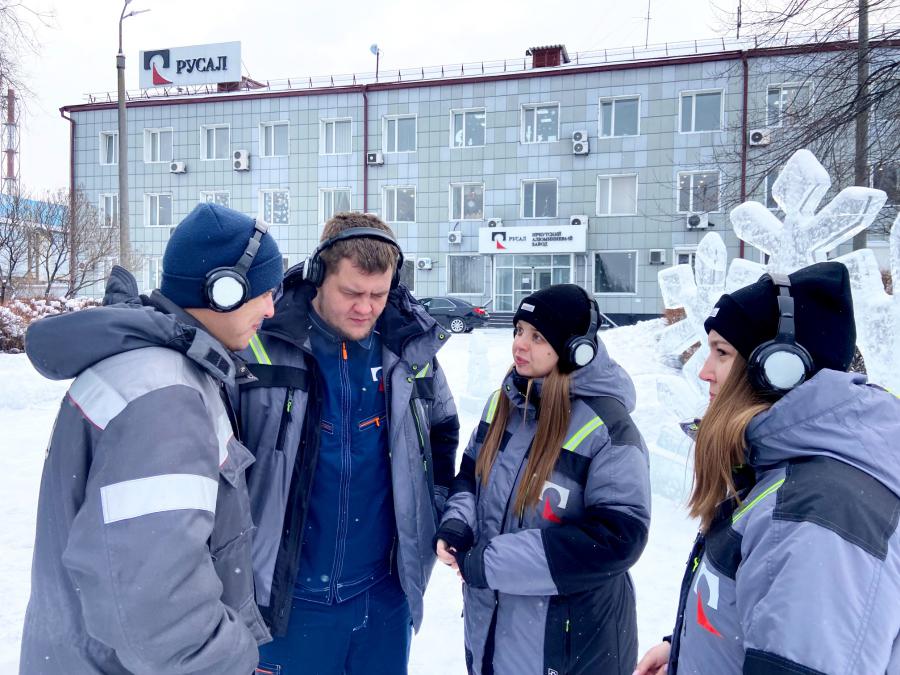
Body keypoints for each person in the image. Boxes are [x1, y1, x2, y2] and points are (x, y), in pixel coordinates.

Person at [19, 202, 283, 674]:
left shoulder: (152, 371)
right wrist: (230, 661)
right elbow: (158, 613)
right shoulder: (166, 398)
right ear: (223, 291)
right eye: (263, 292)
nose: (271, 308)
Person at [635, 262, 900, 675]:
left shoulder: (815, 515)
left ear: (779, 369)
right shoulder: (783, 472)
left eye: (722, 352)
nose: (704, 371)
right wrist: (687, 652)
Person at [238, 212, 459, 674]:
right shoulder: (260, 343)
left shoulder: (408, 350)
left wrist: (434, 505)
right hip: (284, 603)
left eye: (379, 294)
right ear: (318, 275)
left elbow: (442, 428)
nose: (366, 308)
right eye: (352, 293)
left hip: (385, 599)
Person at [435, 284, 651, 675]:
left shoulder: (608, 428)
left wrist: (488, 562)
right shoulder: (503, 403)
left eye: (537, 337)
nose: (519, 344)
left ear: (575, 349)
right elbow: (470, 476)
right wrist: (457, 525)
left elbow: (617, 539)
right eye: (519, 330)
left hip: (569, 643)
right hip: (494, 629)